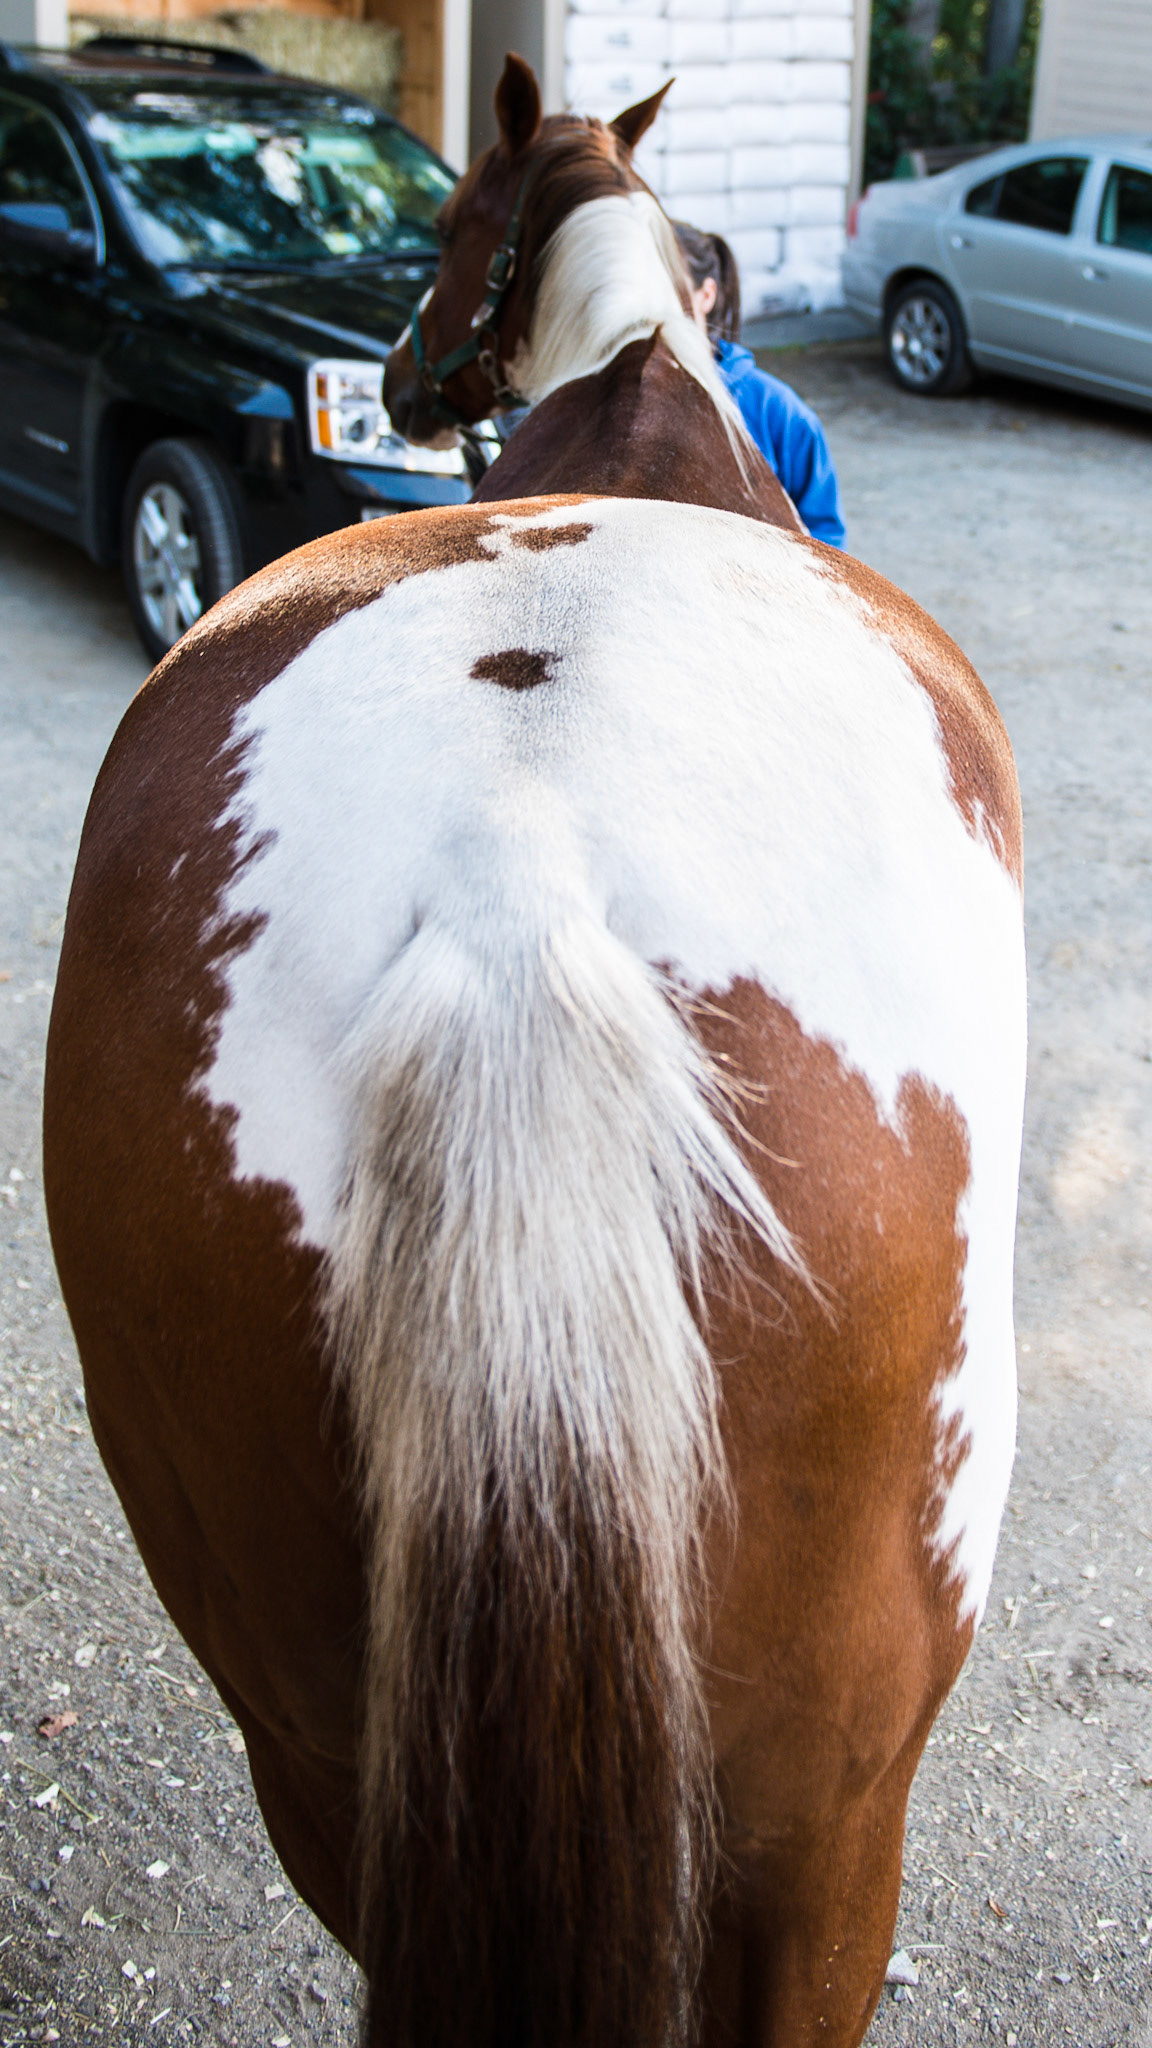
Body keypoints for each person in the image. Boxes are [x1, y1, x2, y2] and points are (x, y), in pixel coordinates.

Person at [673, 221, 847, 548]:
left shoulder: (779, 414)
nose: (656, 307)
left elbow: (828, 543)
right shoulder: (611, 410)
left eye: (670, 288)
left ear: (706, 294)